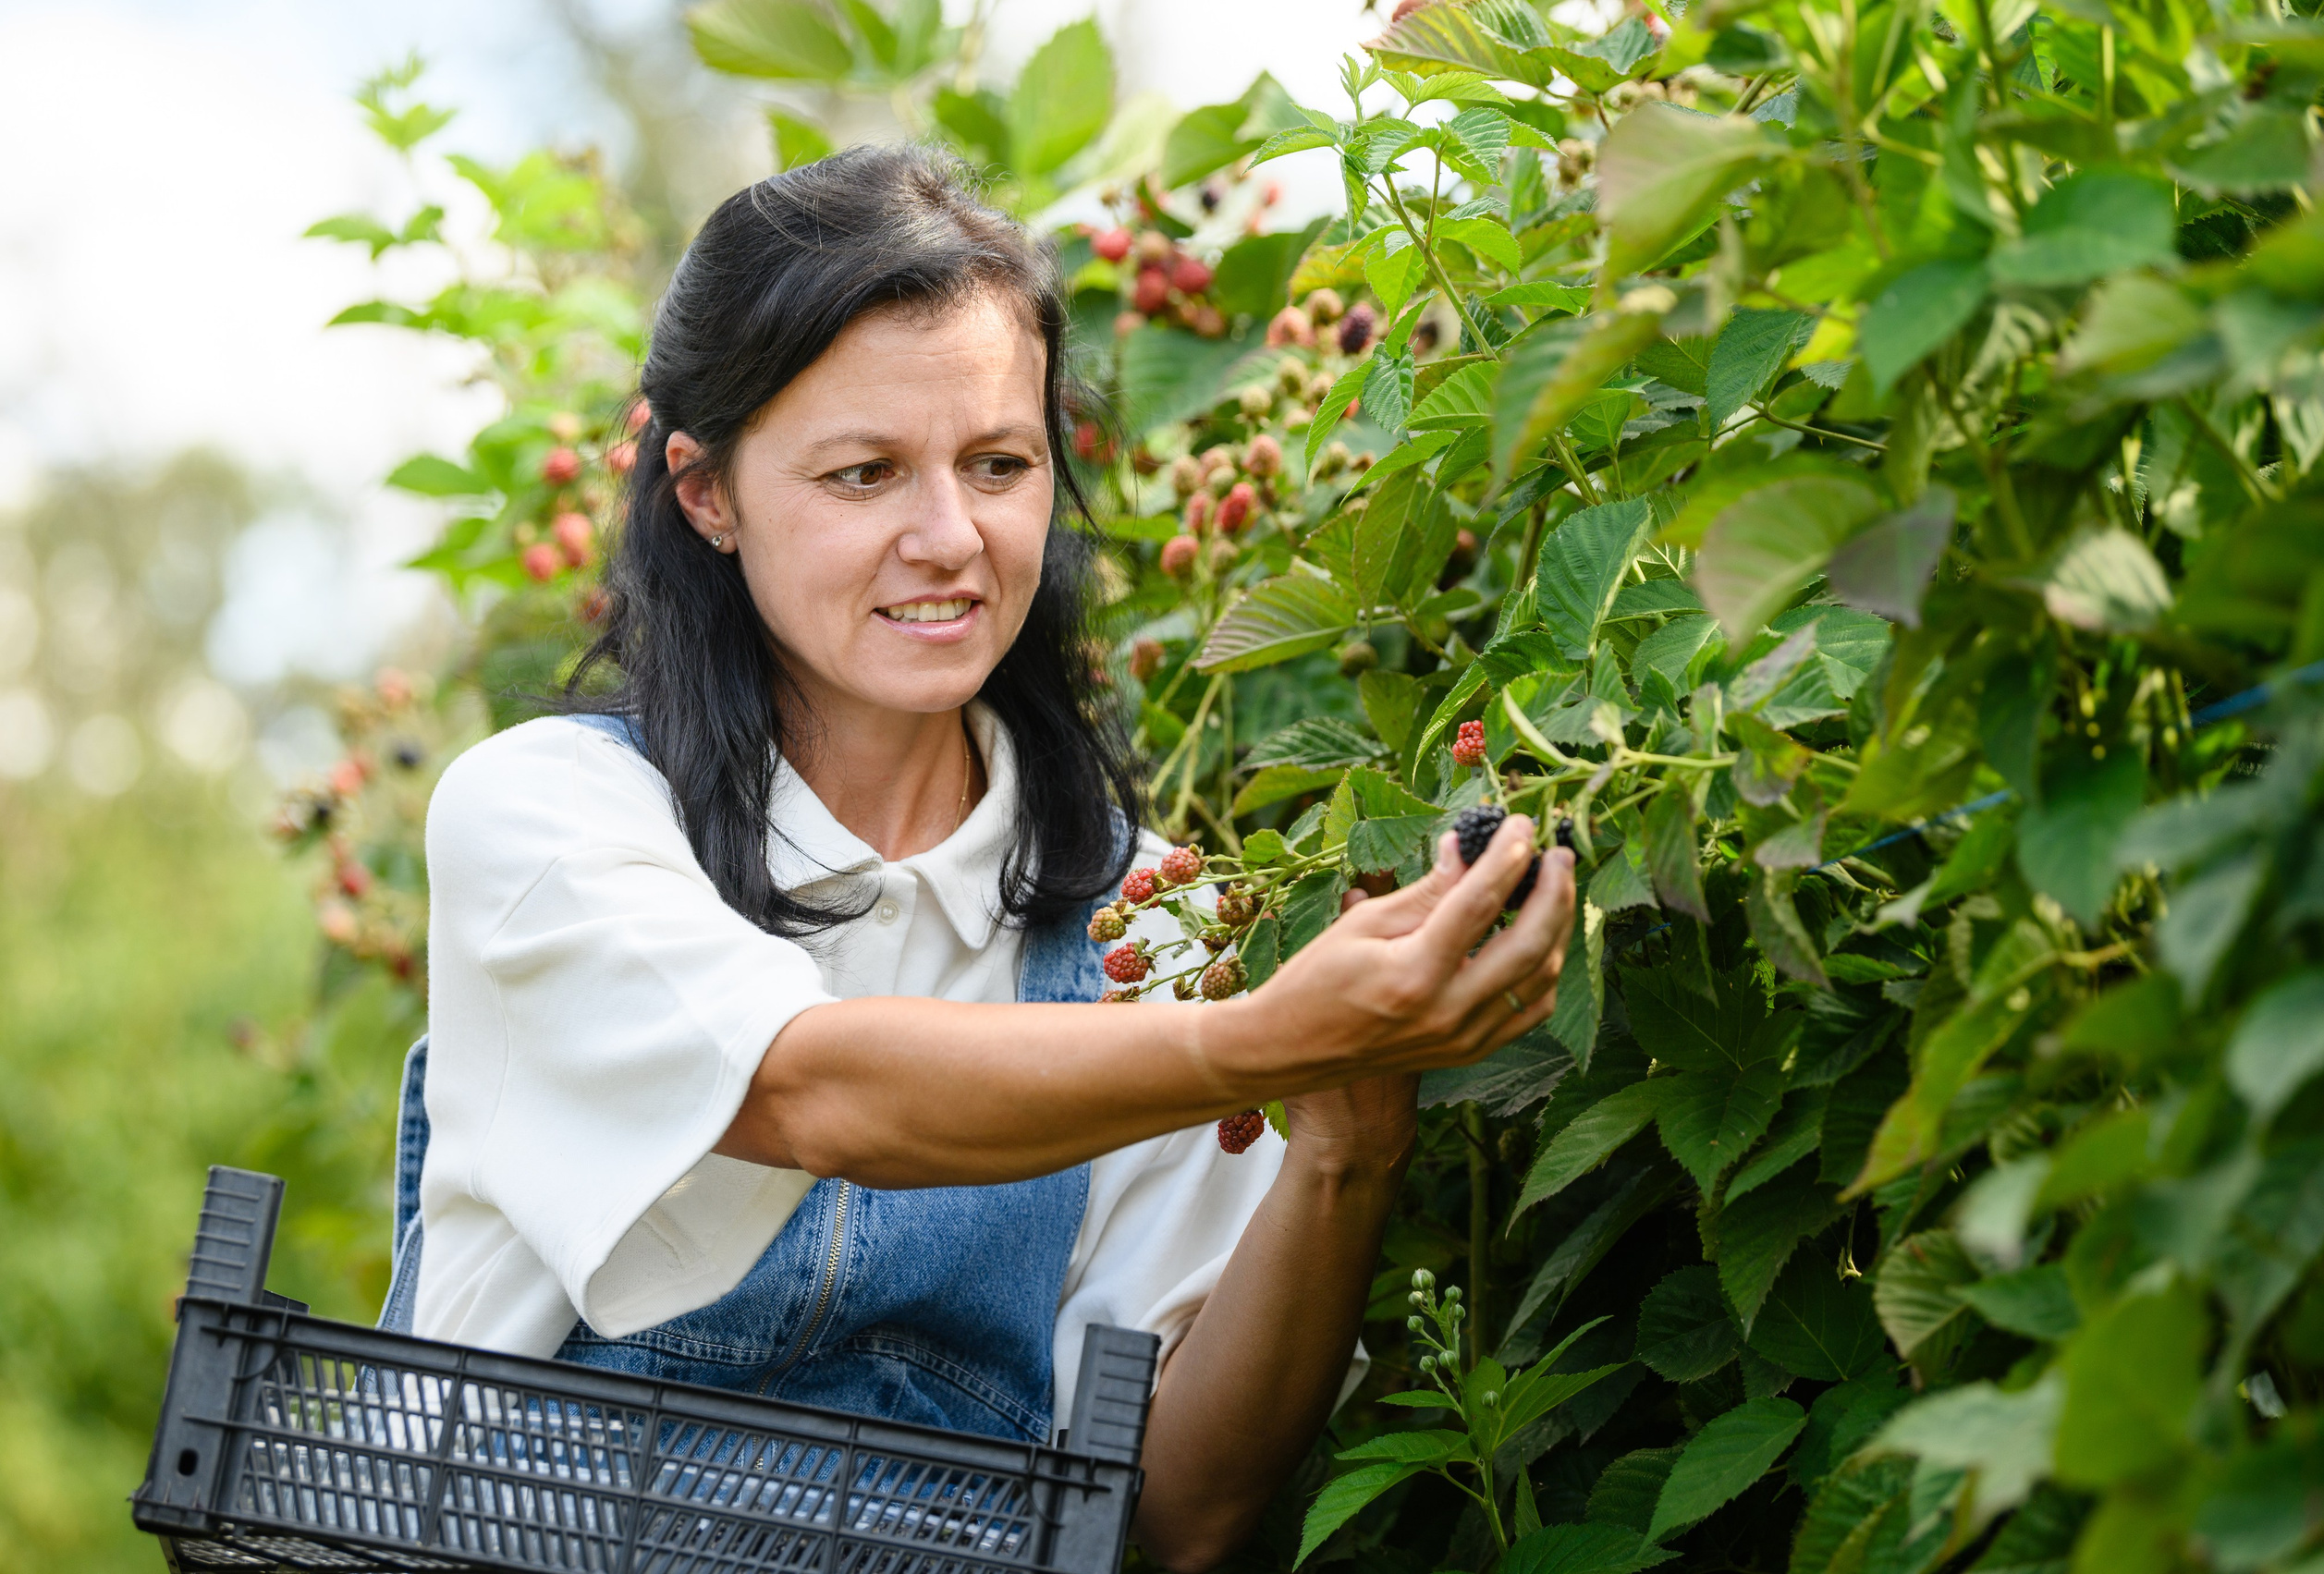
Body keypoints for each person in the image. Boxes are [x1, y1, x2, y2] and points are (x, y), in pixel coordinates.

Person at [412, 144, 1576, 1571]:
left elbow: (1182, 1513)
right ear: (705, 494)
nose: (951, 539)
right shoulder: (547, 817)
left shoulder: (1151, 926)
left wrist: (1342, 1136)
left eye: (999, 465)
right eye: (862, 475)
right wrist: (1260, 1041)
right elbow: (813, 1090)